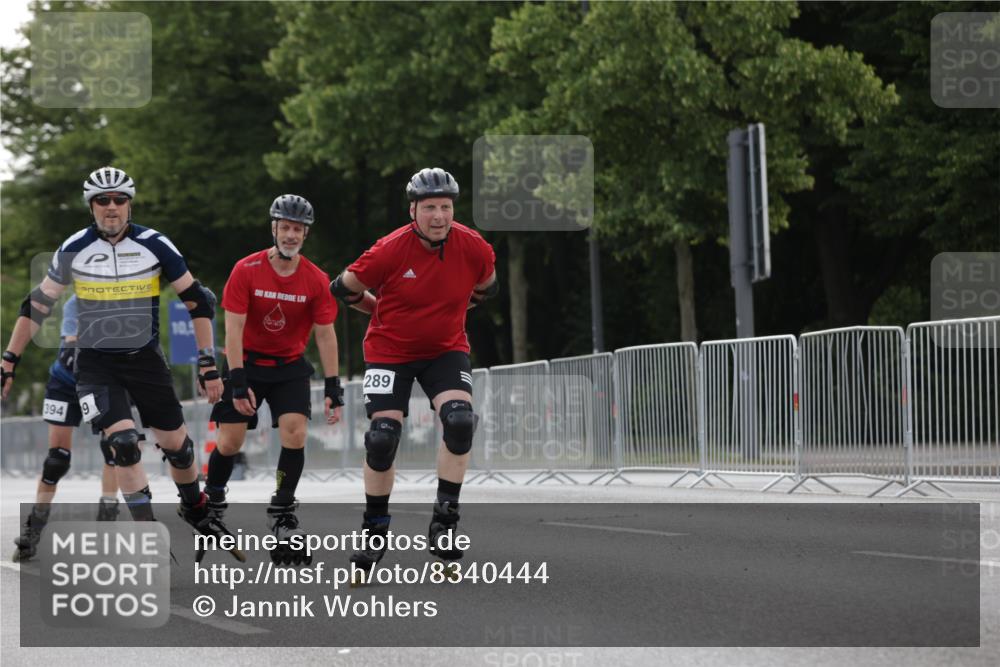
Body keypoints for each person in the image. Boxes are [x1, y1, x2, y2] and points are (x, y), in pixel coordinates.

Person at [0, 166, 242, 563]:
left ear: (129, 204)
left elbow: (198, 301)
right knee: (124, 444)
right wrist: (9, 360)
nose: (111, 208)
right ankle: (149, 537)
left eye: (119, 200)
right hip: (95, 365)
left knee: (179, 450)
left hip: (145, 360)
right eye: (102, 200)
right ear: (91, 207)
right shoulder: (74, 247)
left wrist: (207, 363)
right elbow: (37, 304)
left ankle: (195, 508)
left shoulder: (156, 244)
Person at [330, 167, 497, 577]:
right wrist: (379, 309)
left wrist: (456, 310)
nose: (439, 216)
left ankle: (444, 522)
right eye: (429, 208)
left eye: (445, 207)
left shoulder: (474, 247)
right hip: (390, 350)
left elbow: (487, 287)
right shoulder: (390, 249)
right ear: (413, 211)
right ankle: (374, 532)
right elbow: (344, 287)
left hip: (445, 350)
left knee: (459, 422)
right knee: (381, 438)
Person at [206, 194, 343, 565]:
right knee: (230, 442)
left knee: (295, 432)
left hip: (288, 366)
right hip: (245, 362)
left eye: (298, 230)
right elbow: (232, 330)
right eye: (285, 228)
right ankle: (213, 499)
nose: (291, 235)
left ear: (305, 234)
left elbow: (326, 334)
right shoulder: (246, 269)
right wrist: (236, 380)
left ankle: (282, 510)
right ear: (274, 229)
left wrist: (333, 386)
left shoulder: (316, 279)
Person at [11, 295, 127, 562]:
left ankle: (107, 521)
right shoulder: (76, 302)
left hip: (103, 382)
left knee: (115, 449)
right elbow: (72, 346)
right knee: (56, 460)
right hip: (65, 380)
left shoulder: (125, 303)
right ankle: (35, 527)